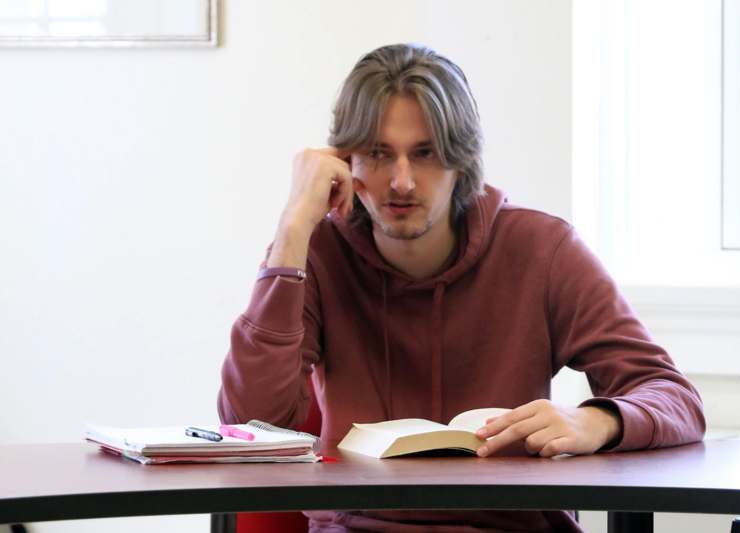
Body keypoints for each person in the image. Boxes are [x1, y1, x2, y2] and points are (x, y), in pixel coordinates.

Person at [218, 43, 705, 532]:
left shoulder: (542, 249)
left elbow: (675, 399)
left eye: (425, 153)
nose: (402, 182)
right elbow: (251, 425)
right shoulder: (318, 253)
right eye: (378, 154)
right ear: (347, 162)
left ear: (461, 159)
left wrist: (597, 421)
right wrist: (293, 227)